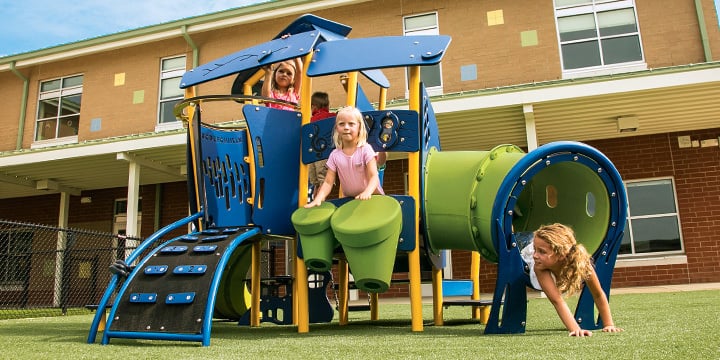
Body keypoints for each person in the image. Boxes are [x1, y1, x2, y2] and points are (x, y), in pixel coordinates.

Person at [520, 223, 623, 337]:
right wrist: (575, 329)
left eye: (542, 252)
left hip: (537, 245)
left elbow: (598, 294)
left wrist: (609, 324)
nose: (535, 255)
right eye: (536, 250)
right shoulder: (539, 266)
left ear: (561, 255)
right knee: (519, 239)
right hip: (522, 246)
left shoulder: (582, 263)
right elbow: (557, 300)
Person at [305, 106, 383, 208]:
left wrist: (367, 192)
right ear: (337, 128)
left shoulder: (365, 150)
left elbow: (374, 177)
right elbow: (328, 182)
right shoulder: (335, 155)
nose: (346, 127)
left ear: (359, 127)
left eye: (351, 124)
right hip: (351, 200)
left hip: (373, 198)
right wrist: (319, 197)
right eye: (342, 124)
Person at [308, 92, 336, 199]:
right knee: (323, 179)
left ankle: (316, 198)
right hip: (323, 153)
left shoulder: (311, 119)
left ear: (313, 106)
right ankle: (320, 200)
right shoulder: (330, 117)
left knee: (315, 181)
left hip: (312, 154)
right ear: (327, 105)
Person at [262, 43, 303, 111]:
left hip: (288, 120)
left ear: (293, 79)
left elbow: (299, 71)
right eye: (281, 71)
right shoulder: (271, 94)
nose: (284, 74)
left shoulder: (294, 92)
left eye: (289, 73)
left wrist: (294, 44)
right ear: (275, 75)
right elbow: (265, 98)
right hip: (274, 120)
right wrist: (268, 73)